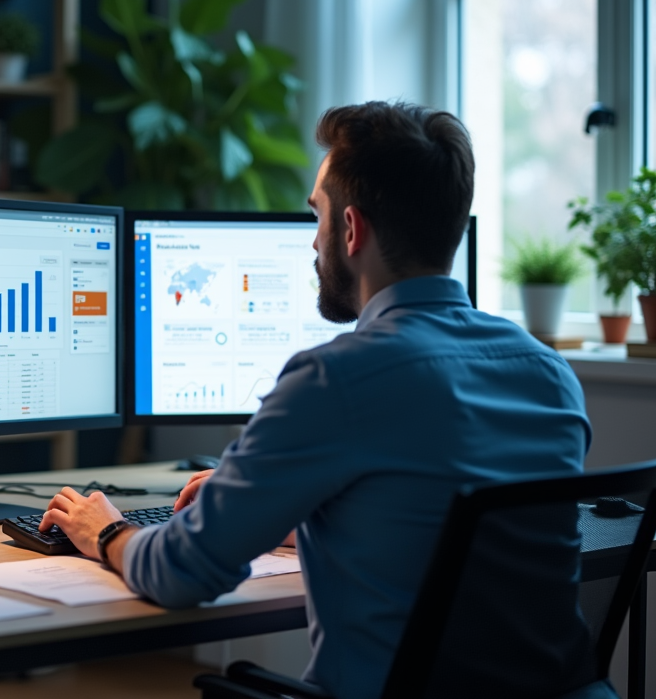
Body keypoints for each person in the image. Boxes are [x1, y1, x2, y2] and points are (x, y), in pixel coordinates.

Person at [39, 102, 613, 699]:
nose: (311, 242)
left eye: (316, 216)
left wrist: (104, 529)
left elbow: (182, 573)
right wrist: (273, 510)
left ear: (350, 229)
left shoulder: (335, 377)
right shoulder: (548, 373)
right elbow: (439, 531)